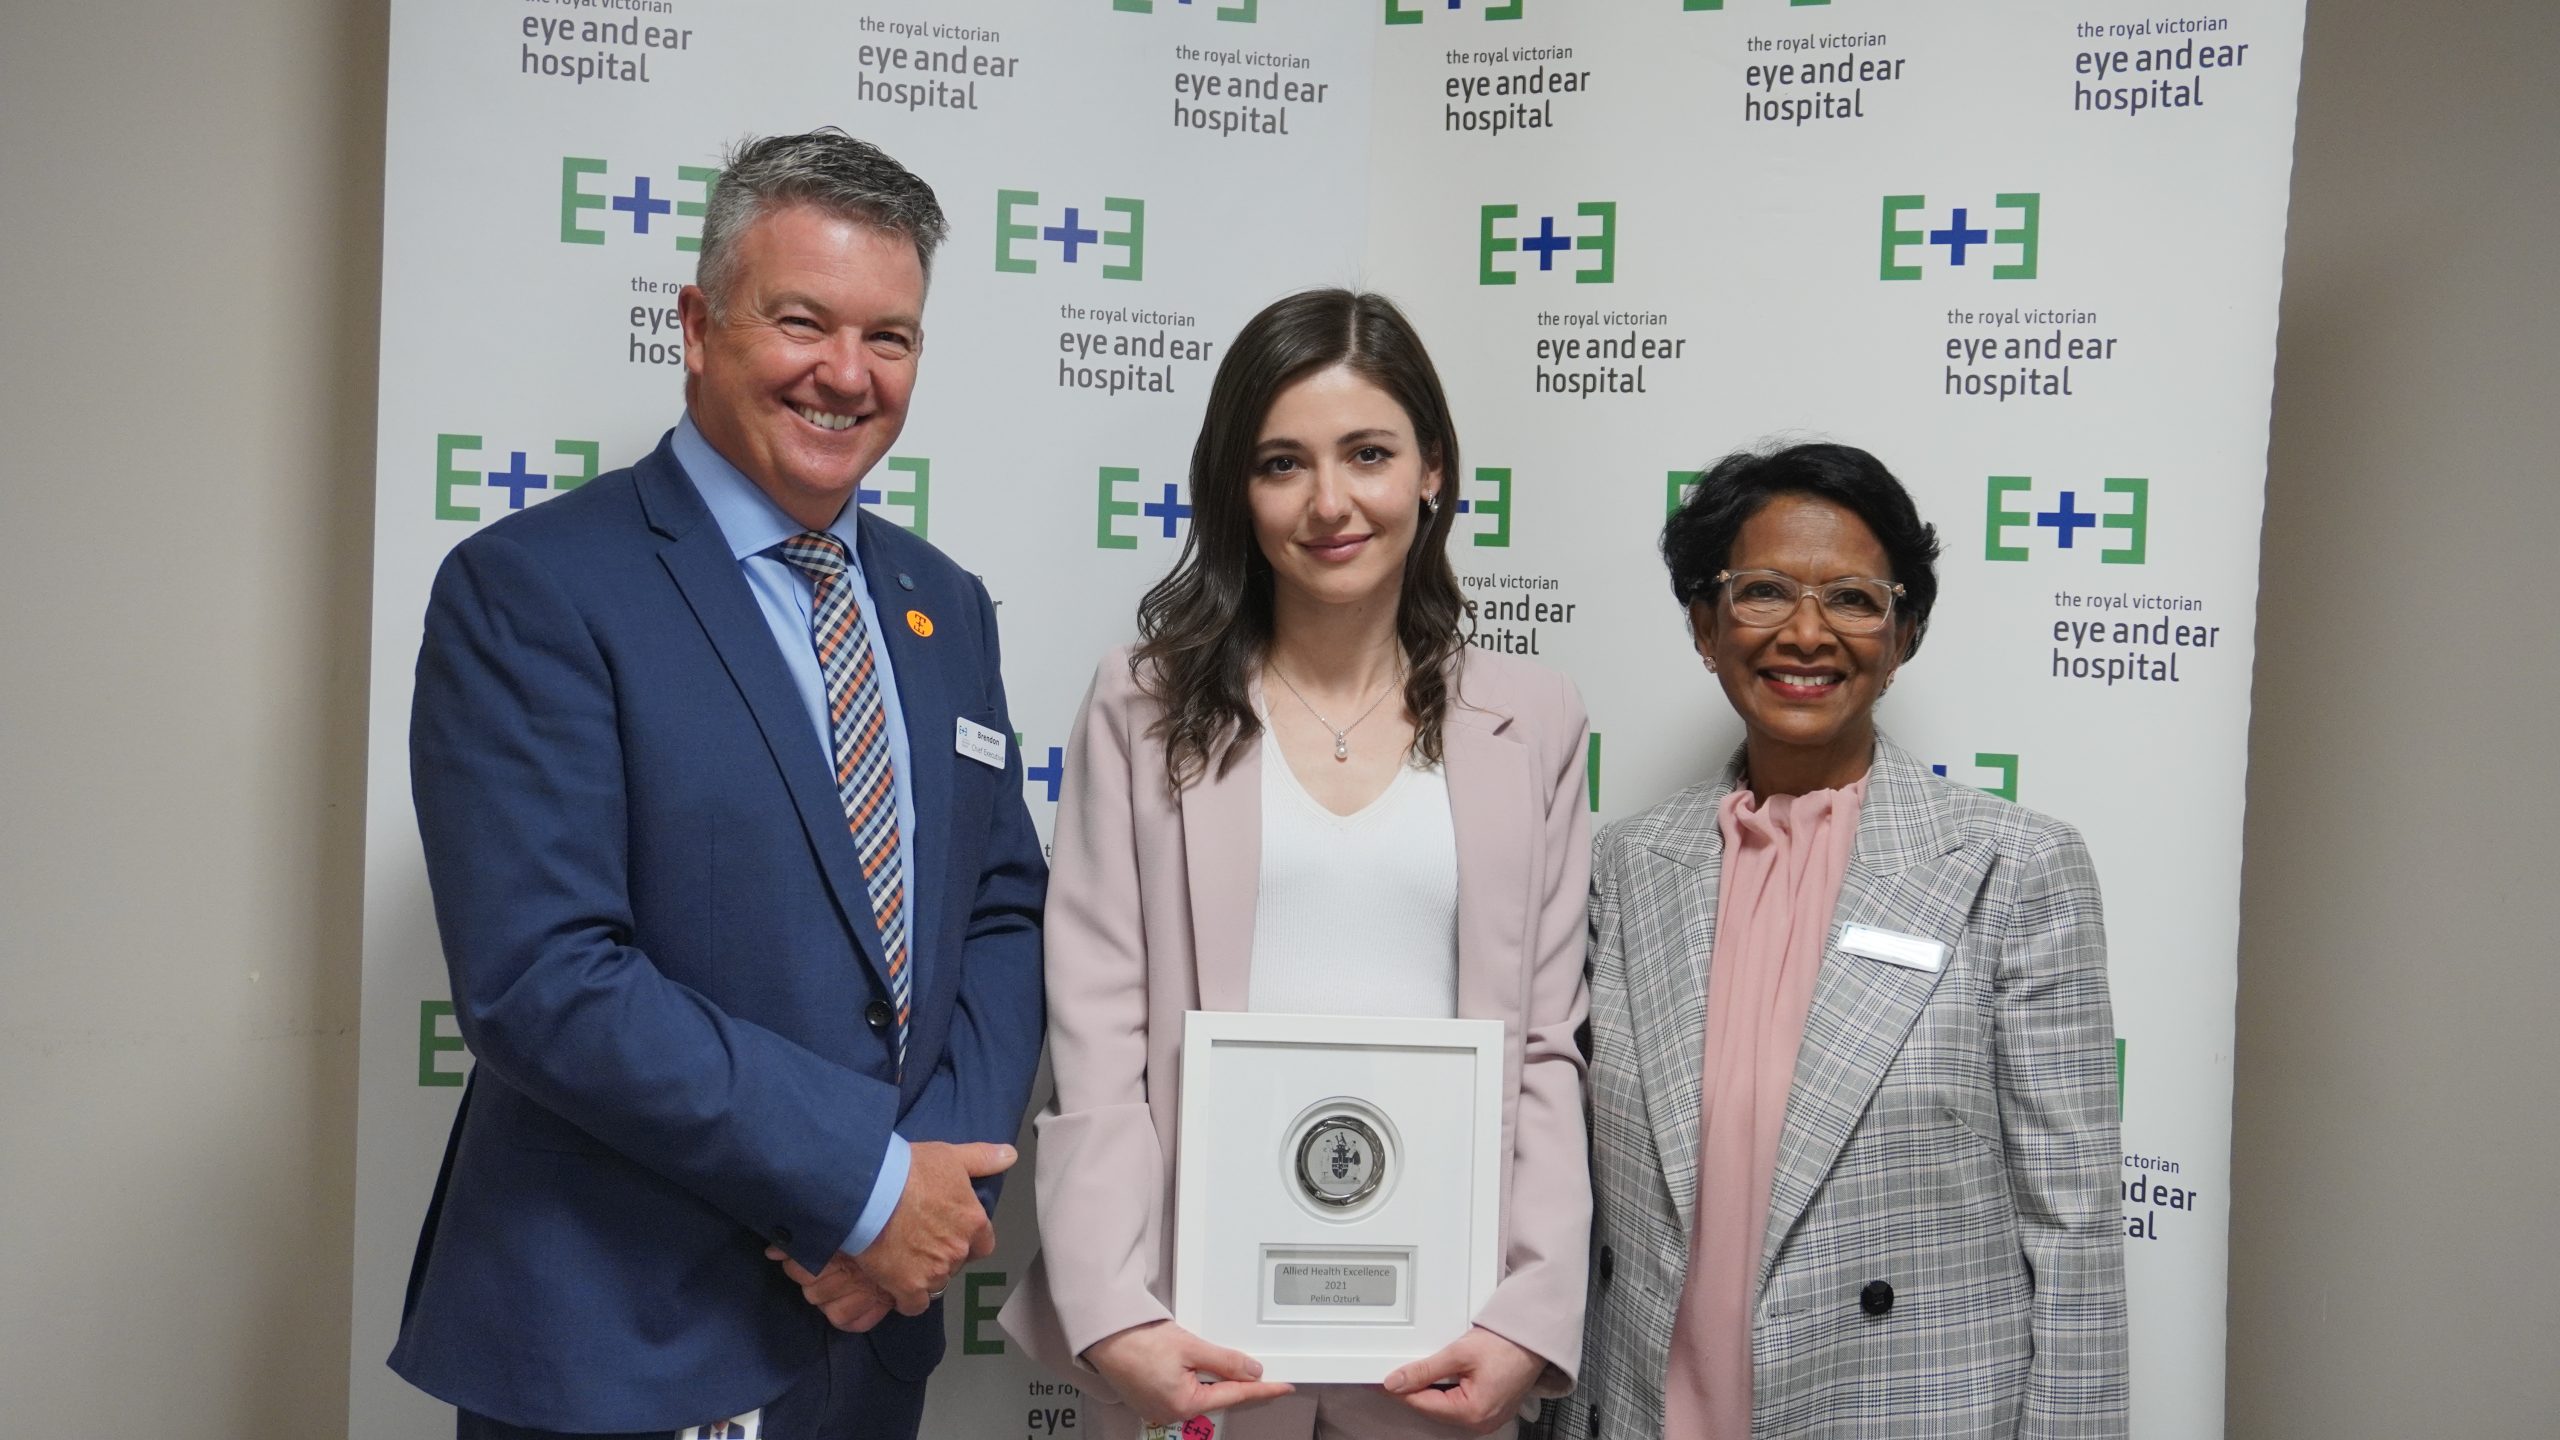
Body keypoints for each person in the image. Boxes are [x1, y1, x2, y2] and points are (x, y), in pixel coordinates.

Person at [394, 129, 1048, 1440]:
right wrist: (864, 1188)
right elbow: (545, 978)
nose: (846, 374)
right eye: (801, 321)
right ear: (697, 327)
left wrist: (933, 1190)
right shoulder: (532, 590)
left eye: (890, 337)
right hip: (623, 1340)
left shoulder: (945, 606)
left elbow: (998, 912)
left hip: (866, 1343)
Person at [999, 290, 1592, 1439]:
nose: (1329, 503)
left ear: (1432, 469)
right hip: (1198, 1338)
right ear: (1237, 487)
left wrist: (1528, 1316)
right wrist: (1117, 1314)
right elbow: (1099, 1035)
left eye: (1368, 454)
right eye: (1282, 463)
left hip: (1443, 1342)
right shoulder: (1140, 707)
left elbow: (1545, 1051)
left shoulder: (1534, 719)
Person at [1557, 443, 2128, 1439]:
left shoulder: (2014, 868)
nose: (1807, 633)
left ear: (1903, 635)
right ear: (1705, 624)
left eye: (1855, 600)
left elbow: (2072, 1228)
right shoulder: (1627, 865)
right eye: (1763, 592)